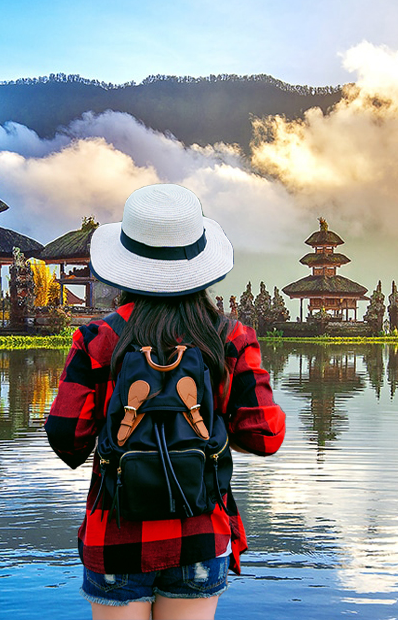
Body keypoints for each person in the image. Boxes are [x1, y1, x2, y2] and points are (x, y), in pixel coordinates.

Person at [45, 183, 286, 620]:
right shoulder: (231, 337)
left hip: (115, 533)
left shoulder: (97, 338)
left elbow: (66, 438)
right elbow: (266, 435)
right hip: (200, 532)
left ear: (126, 264)